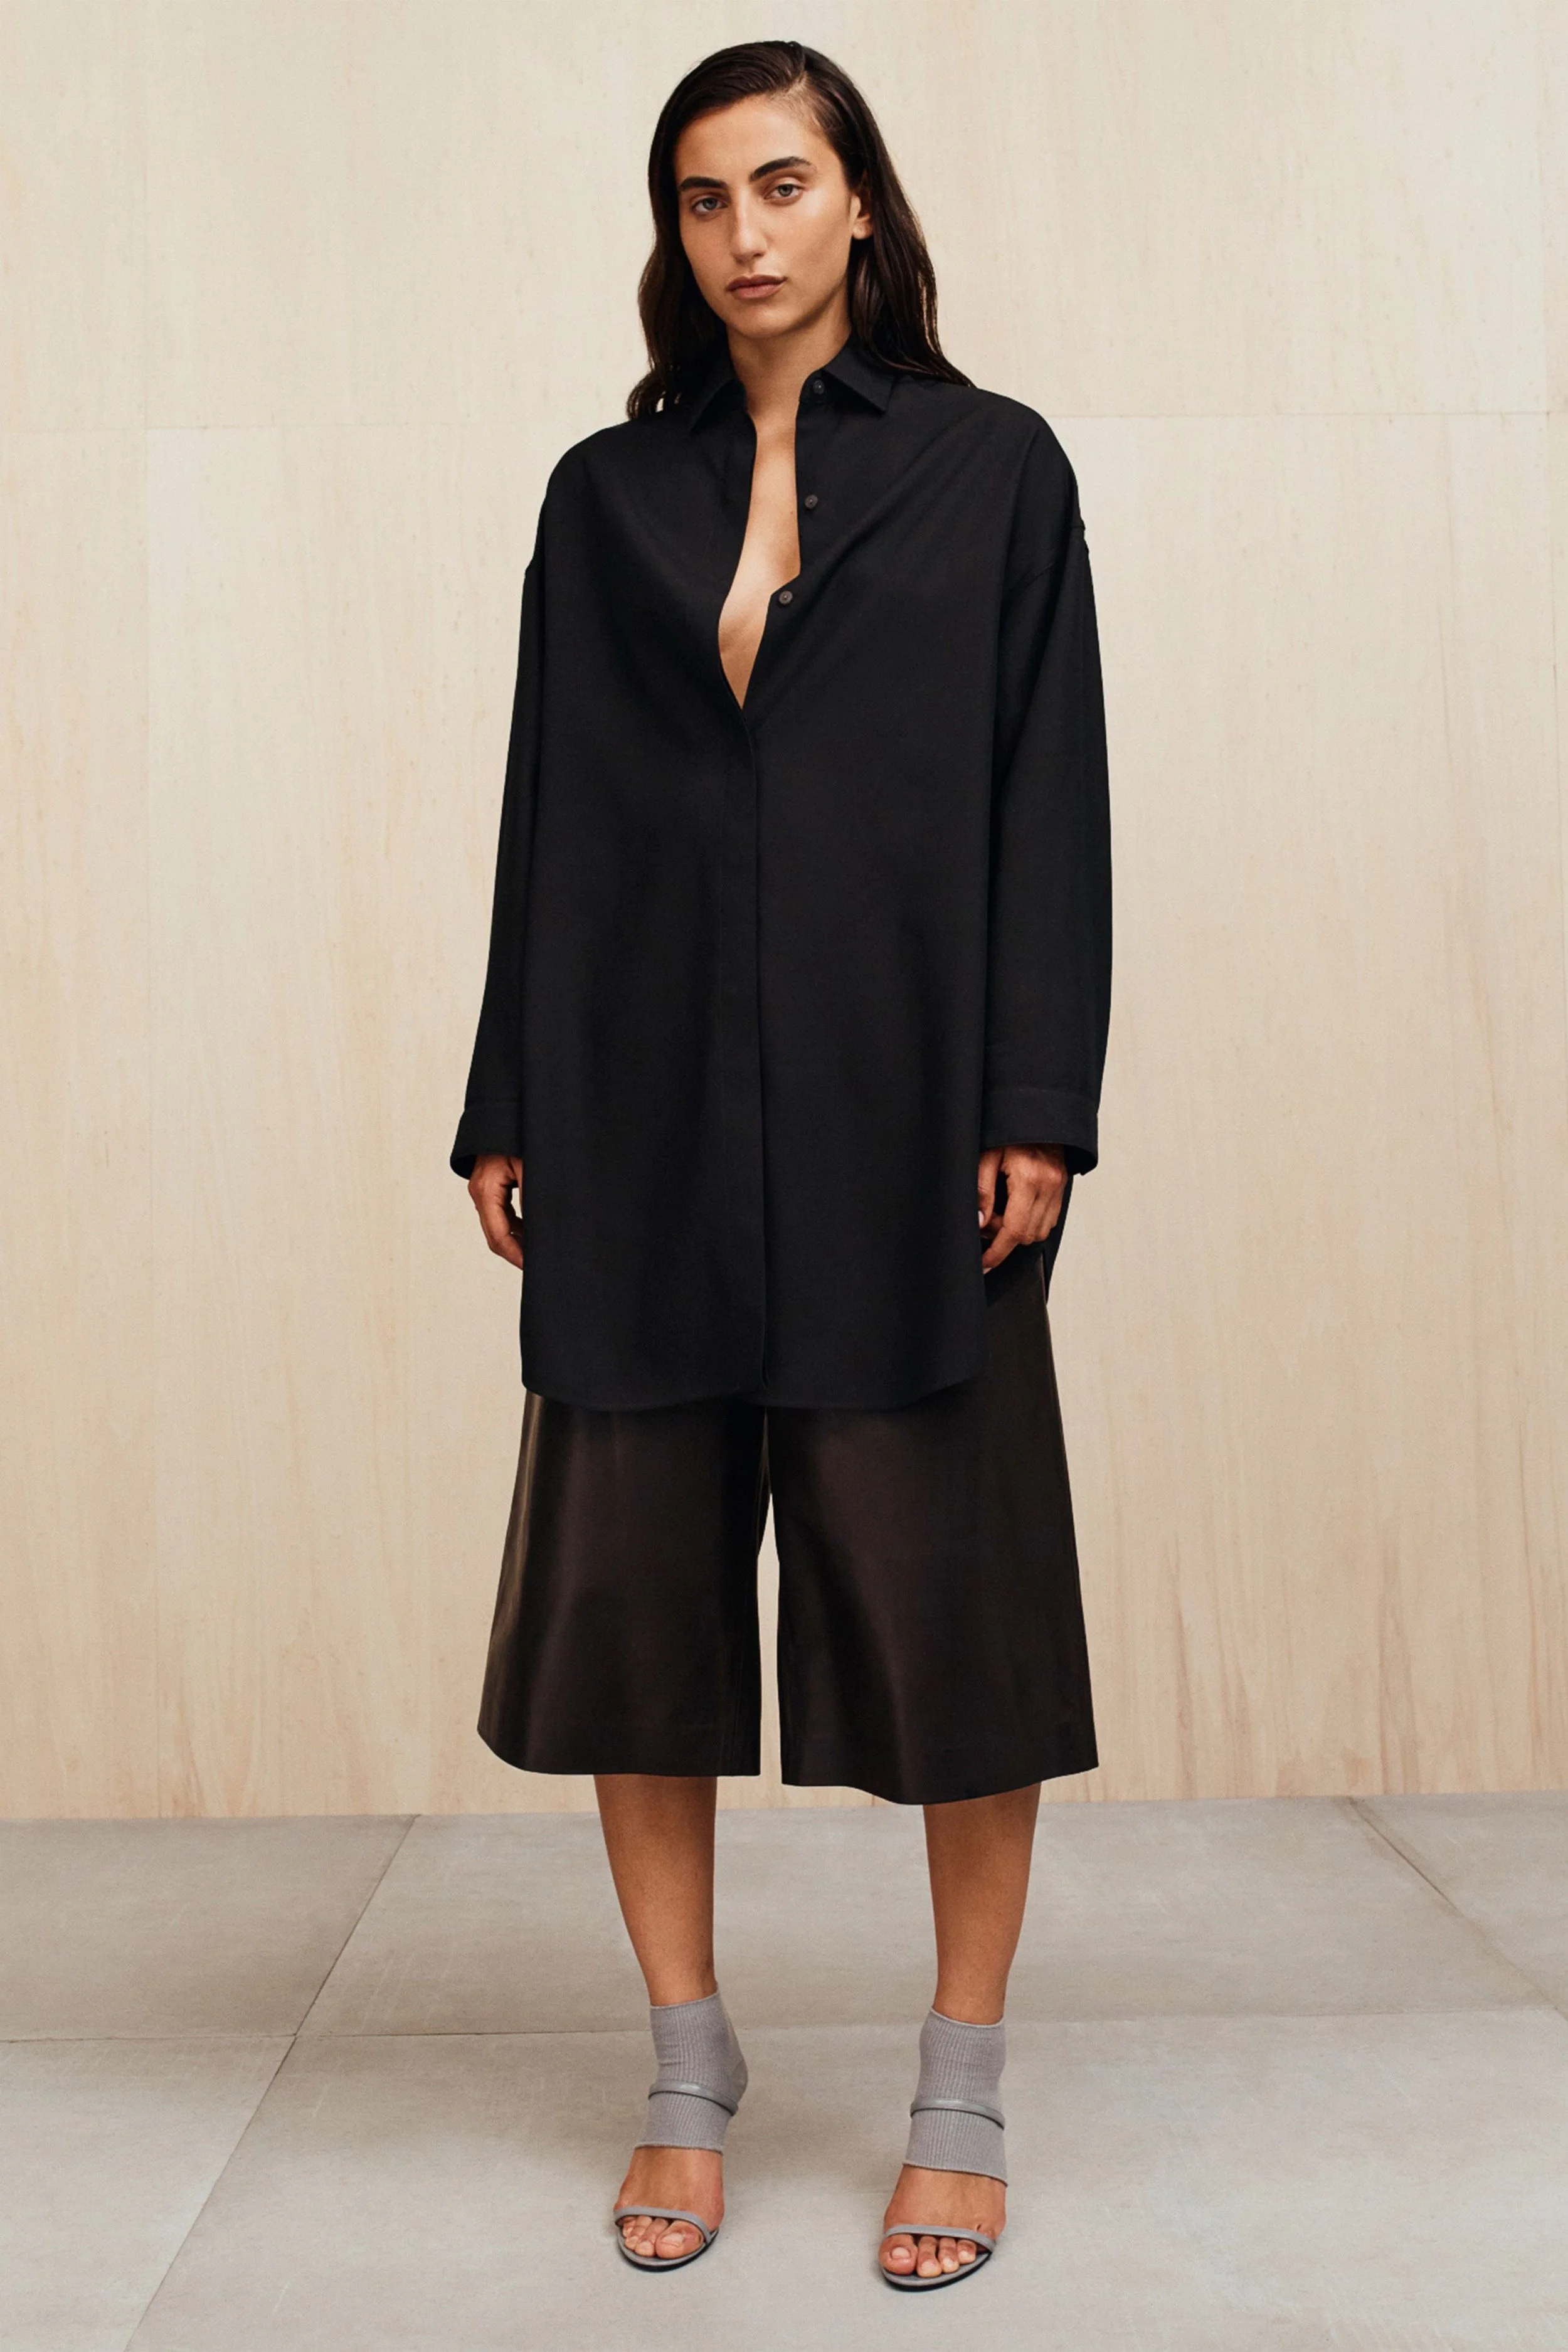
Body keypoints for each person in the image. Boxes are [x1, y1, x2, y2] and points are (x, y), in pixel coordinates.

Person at [452, 38, 1111, 2291]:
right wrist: (505, 1096)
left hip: (903, 1109)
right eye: (702, 196)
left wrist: (1034, 1097)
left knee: (954, 1615)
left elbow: (1048, 793)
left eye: (782, 183)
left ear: (859, 204)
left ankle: (959, 2088)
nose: (743, 231)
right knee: (633, 1612)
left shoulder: (992, 469)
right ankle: (684, 2064)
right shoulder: (600, 496)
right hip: (634, 1106)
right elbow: (549, 806)